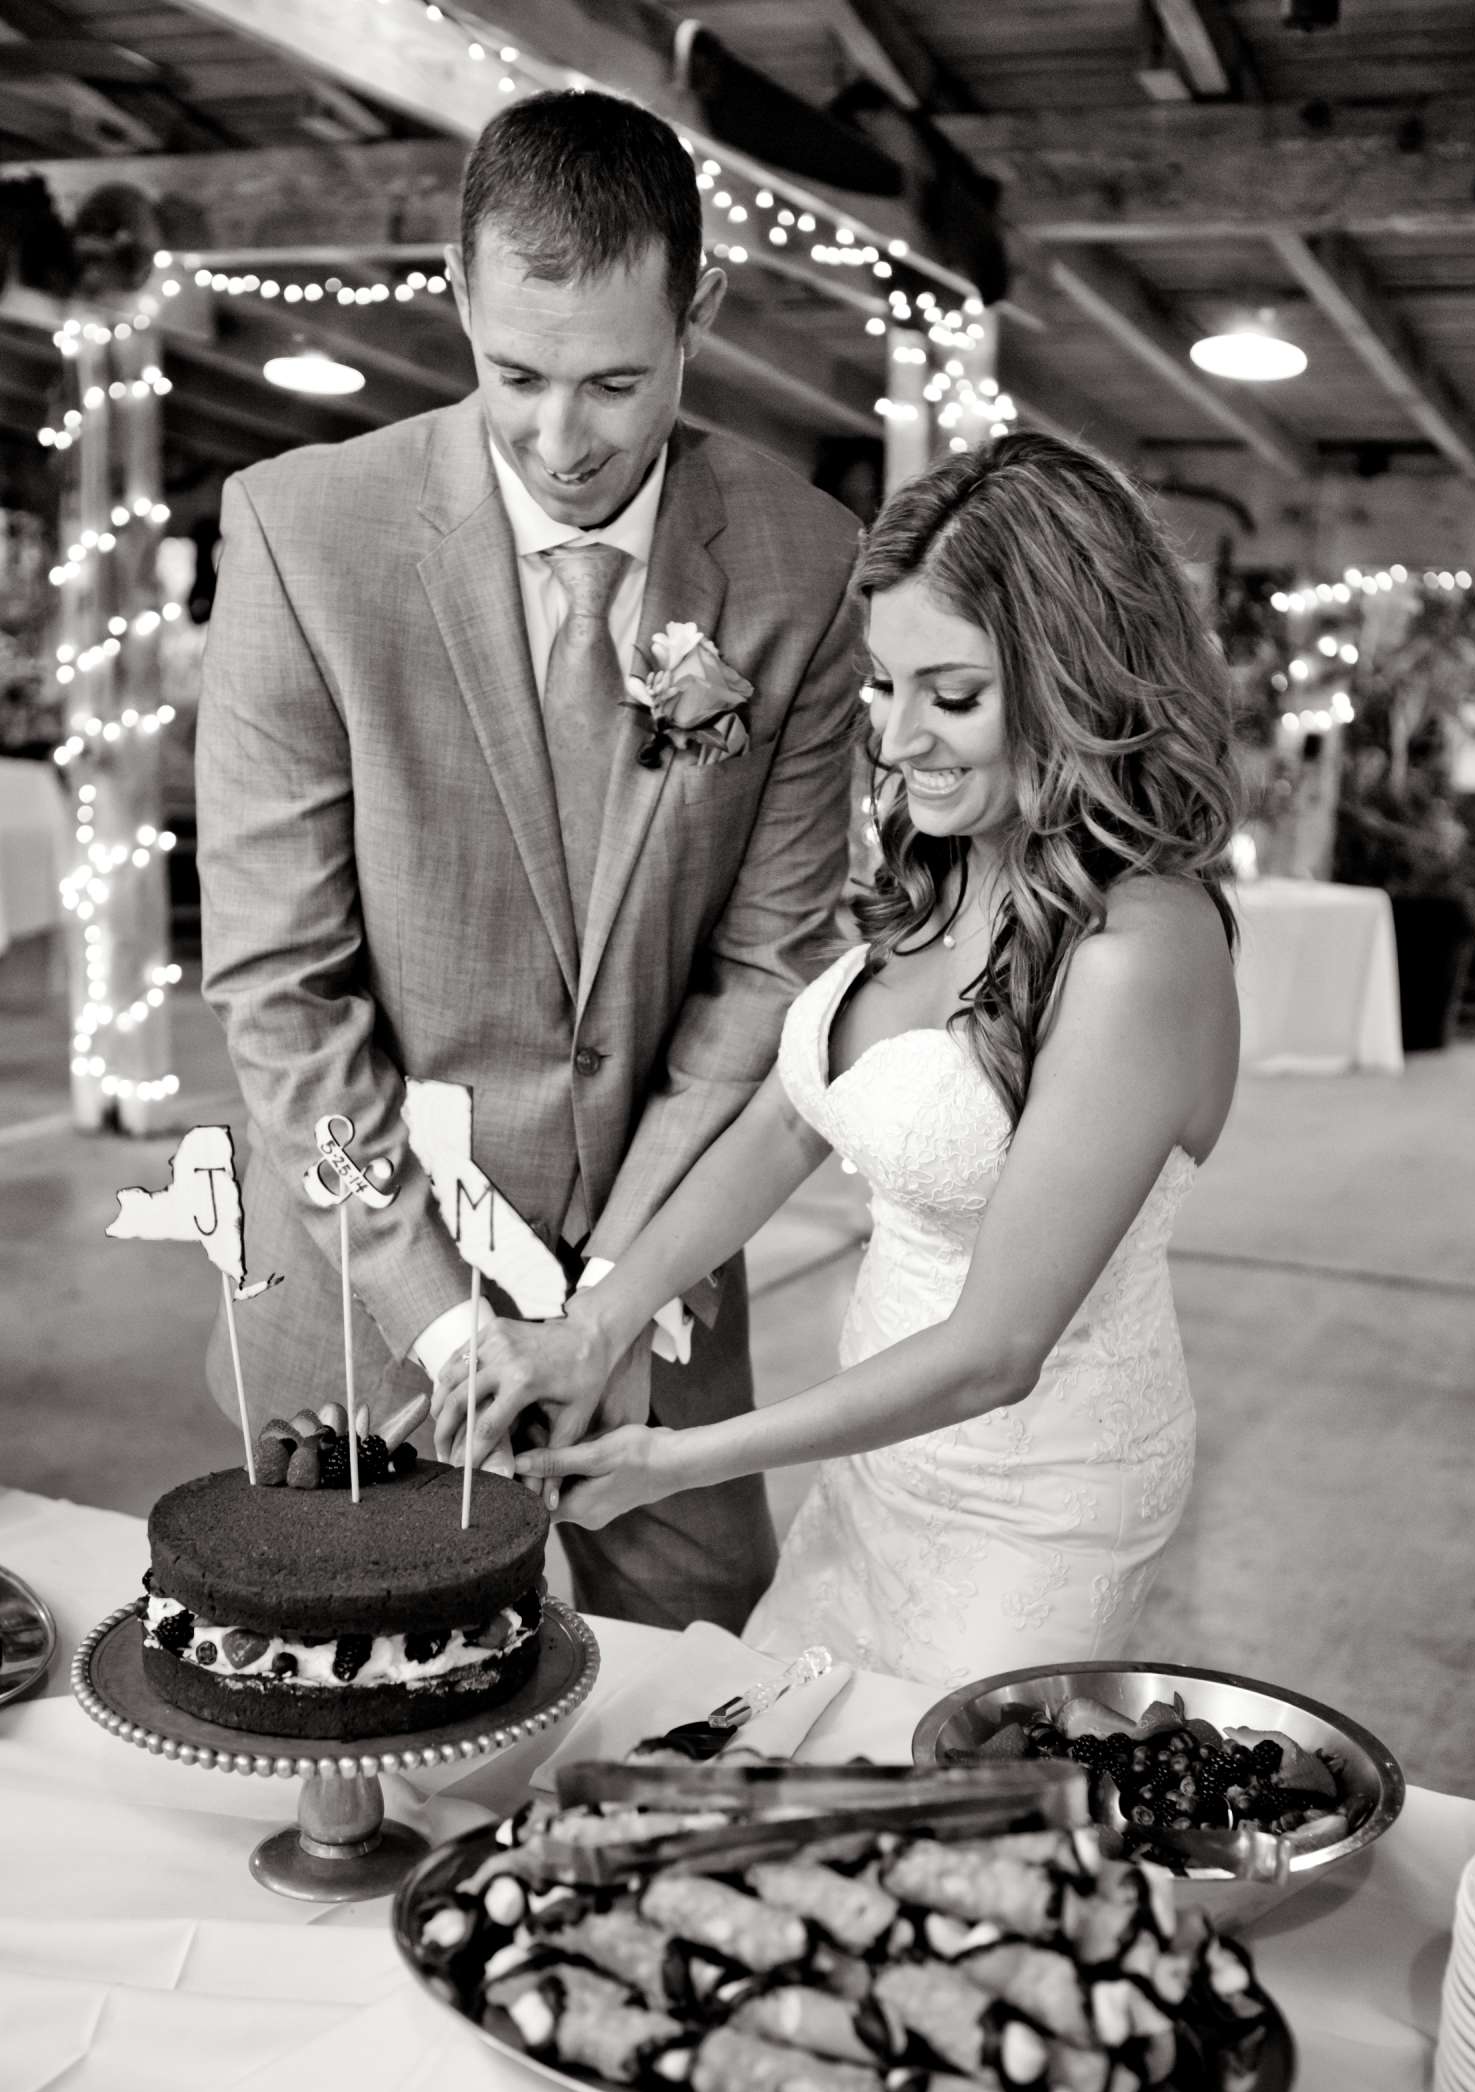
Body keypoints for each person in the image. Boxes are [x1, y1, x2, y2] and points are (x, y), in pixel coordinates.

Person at [195, 91, 863, 1632]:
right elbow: (283, 996)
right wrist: (444, 1330)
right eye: (515, 375)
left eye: (617, 383)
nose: (561, 440)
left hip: (658, 1291)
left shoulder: (803, 566)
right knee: (348, 1703)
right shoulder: (303, 537)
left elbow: (768, 969)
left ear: (702, 309)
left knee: (693, 1697)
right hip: (370, 1308)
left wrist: (609, 1294)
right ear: (457, 294)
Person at [437, 431, 1243, 1686]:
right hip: (884, 1459)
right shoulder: (949, 864)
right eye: (881, 685)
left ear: (1082, 682)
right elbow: (784, 1123)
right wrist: (597, 1324)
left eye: (954, 695)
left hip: (1033, 1500)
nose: (899, 737)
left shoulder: (1140, 951)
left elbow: (996, 1347)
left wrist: (684, 1461)